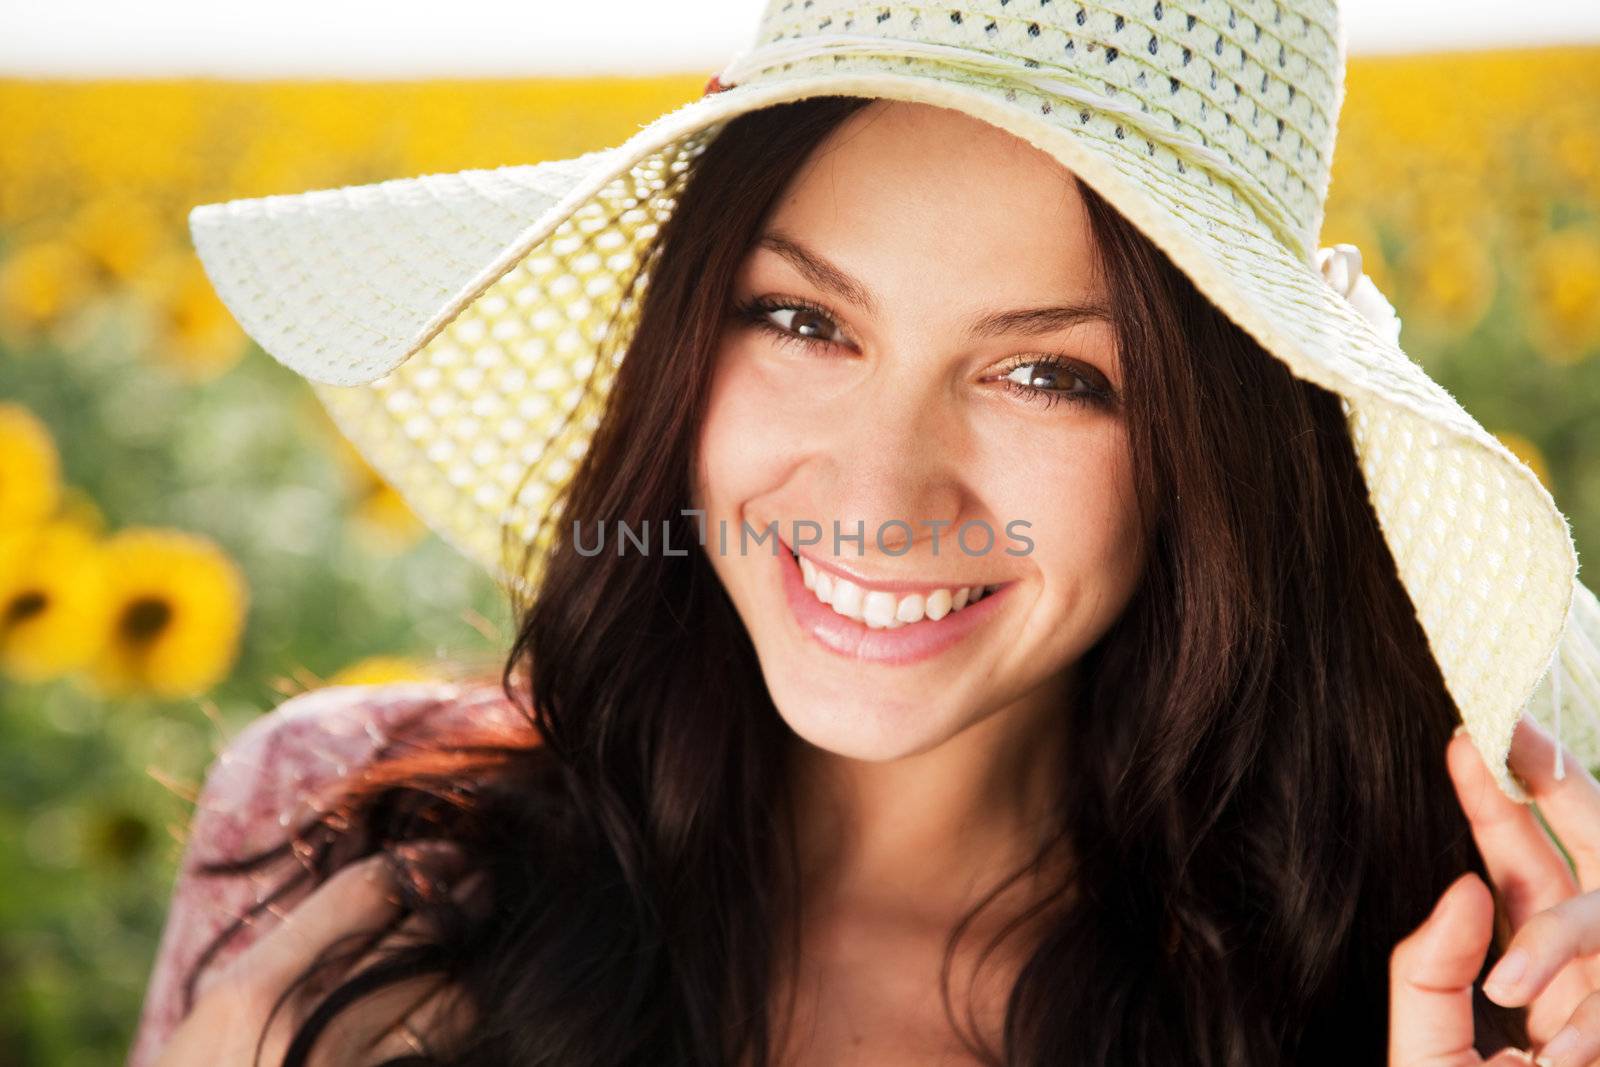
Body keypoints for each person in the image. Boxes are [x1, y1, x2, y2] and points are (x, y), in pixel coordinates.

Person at [130, 3, 1600, 1065]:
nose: (883, 498)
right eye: (802, 319)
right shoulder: (321, 831)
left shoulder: (1400, 1000)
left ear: (1210, 461)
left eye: (1050, 375)